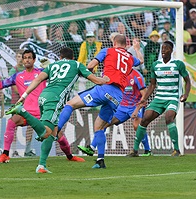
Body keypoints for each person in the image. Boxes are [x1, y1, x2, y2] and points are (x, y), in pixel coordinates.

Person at [6, 47, 108, 173]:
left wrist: (23, 96)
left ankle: (41, 165)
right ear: (72, 57)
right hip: (55, 99)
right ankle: (22, 111)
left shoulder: (53, 65)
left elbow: (37, 79)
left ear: (60, 57)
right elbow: (95, 80)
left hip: (43, 97)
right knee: (45, 133)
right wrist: (105, 80)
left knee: (53, 133)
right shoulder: (76, 65)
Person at [58, 35, 144, 169]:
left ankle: (56, 131)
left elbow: (91, 66)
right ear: (126, 45)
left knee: (70, 104)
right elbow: (141, 61)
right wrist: (137, 48)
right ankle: (100, 160)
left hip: (104, 88)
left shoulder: (107, 51)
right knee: (99, 127)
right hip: (118, 97)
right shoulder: (130, 57)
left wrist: (91, 76)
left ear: (114, 42)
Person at [0, 49, 85, 164]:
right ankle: (5, 154)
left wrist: (51, 67)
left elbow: (59, 78)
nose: (27, 60)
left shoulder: (41, 73)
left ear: (34, 60)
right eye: (25, 58)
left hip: (43, 112)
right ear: (22, 61)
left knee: (59, 135)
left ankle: (69, 156)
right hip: (26, 112)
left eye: (29, 57)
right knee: (11, 122)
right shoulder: (17, 76)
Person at [127, 41, 191, 157]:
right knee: (145, 118)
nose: (163, 50)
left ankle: (176, 150)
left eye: (166, 48)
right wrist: (144, 98)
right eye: (162, 48)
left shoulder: (178, 64)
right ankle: (135, 150)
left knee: (169, 117)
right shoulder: (156, 65)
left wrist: (186, 94)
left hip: (172, 97)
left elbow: (188, 81)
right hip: (159, 98)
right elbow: (152, 85)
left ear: (171, 51)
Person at [85, 68, 151, 156]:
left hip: (135, 105)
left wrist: (137, 109)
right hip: (122, 107)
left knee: (137, 127)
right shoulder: (118, 74)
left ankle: (147, 150)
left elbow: (145, 94)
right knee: (104, 124)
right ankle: (92, 147)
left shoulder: (137, 76)